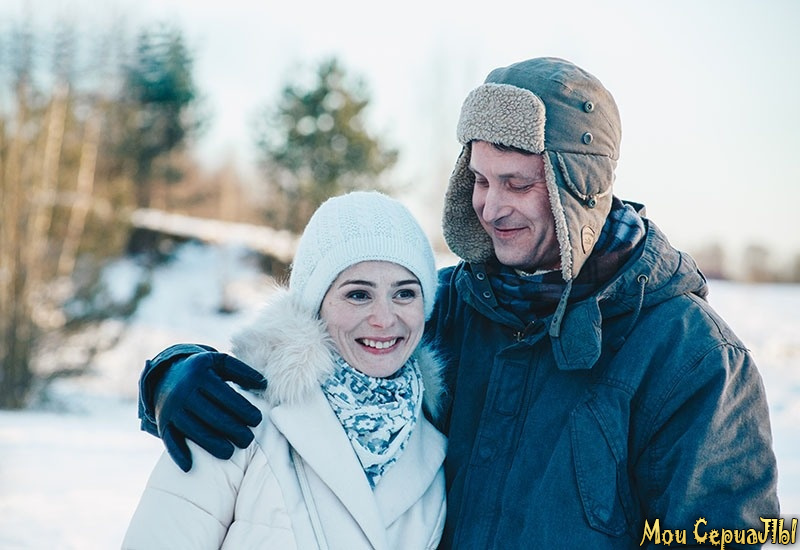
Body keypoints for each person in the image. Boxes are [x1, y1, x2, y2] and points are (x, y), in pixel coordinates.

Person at [135, 57, 779, 548]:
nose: (491, 207)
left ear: (580, 188)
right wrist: (171, 374)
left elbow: (731, 535)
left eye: (517, 184)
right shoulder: (446, 308)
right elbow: (311, 343)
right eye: (479, 179)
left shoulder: (689, 355)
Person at [123, 191, 447, 549]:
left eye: (405, 294)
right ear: (315, 303)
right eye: (358, 294)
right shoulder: (229, 413)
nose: (384, 319)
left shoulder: (433, 446)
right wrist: (165, 370)